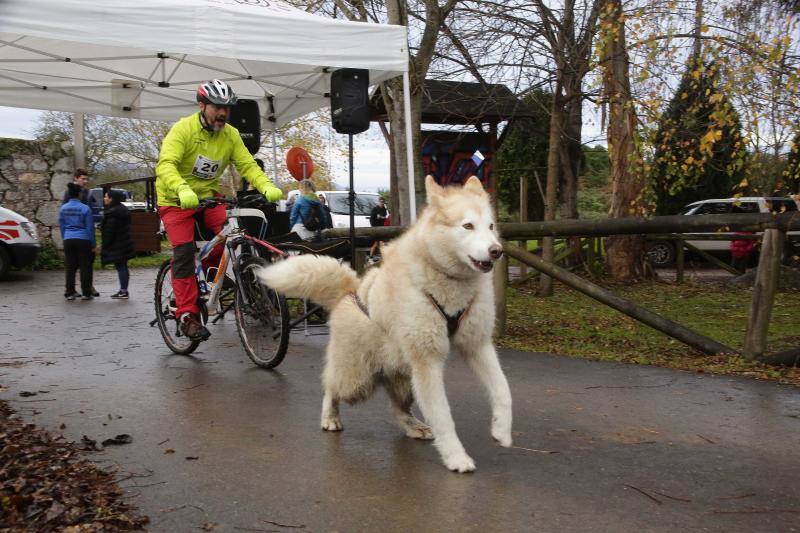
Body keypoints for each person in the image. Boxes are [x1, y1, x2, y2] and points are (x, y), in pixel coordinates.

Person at [156, 79, 283, 341]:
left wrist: (266, 186)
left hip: (208, 198)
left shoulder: (231, 135)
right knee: (182, 253)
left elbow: (247, 165)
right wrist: (181, 189)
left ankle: (209, 277)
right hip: (174, 199)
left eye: (227, 108)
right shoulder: (183, 130)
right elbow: (165, 165)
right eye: (217, 107)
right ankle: (187, 315)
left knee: (229, 239)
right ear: (202, 106)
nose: (223, 113)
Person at [62, 168, 100, 297]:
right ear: (76, 178)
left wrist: (65, 236)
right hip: (83, 235)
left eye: (86, 179)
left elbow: (62, 221)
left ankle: (85, 287)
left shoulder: (87, 193)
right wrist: (92, 241)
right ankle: (84, 290)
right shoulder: (69, 194)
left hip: (71, 236)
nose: (85, 181)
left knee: (83, 264)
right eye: (83, 179)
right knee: (81, 265)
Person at [101, 189, 136, 299]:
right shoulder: (122, 210)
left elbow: (109, 231)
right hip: (123, 242)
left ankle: (123, 291)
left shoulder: (113, 213)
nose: (104, 199)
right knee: (122, 266)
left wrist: (105, 245)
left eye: (106, 197)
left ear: (112, 199)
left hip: (117, 244)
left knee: (121, 266)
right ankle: (123, 289)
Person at [368, 196, 388, 260]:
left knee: (379, 243)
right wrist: (374, 228)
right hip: (376, 228)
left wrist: (382, 218)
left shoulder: (384, 209)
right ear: (378, 202)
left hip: (381, 228)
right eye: (381, 202)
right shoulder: (375, 209)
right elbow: (371, 219)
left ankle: (379, 257)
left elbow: (384, 218)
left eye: (383, 202)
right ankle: (372, 256)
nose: (382, 203)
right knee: (377, 243)